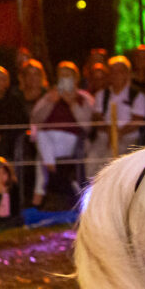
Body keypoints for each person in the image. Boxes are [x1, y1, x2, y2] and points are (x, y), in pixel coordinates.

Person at [30, 61, 93, 207]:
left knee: (42, 156)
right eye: (61, 76)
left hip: (71, 141)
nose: (64, 79)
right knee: (41, 140)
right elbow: (35, 120)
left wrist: (72, 104)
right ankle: (55, 172)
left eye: (68, 76)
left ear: (76, 79)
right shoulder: (49, 96)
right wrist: (50, 102)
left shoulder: (83, 97)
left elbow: (87, 126)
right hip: (48, 141)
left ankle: (37, 199)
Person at [87, 55, 145, 176]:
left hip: (127, 138)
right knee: (91, 158)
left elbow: (137, 120)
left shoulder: (137, 96)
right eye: (113, 72)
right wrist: (109, 131)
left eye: (120, 71)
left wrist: (118, 133)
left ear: (127, 74)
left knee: (109, 159)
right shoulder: (101, 95)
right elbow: (97, 117)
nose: (116, 75)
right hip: (104, 136)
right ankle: (90, 191)